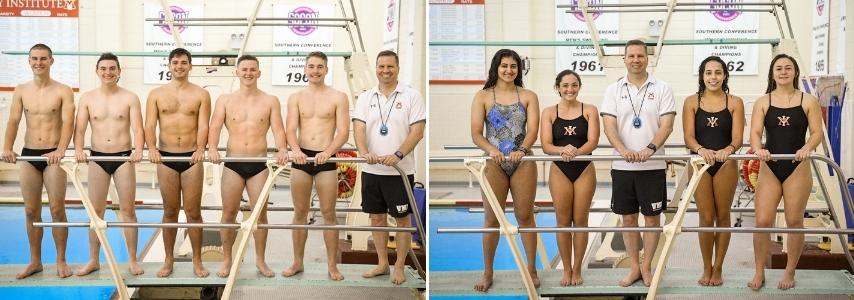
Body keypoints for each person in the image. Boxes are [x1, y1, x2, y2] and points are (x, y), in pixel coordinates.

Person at [600, 39, 676, 287]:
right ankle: (634, 267)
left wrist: (651, 148)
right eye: (631, 56)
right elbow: (609, 124)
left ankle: (647, 266)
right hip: (622, 167)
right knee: (628, 219)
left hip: (652, 166)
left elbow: (667, 124)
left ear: (647, 59)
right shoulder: (614, 89)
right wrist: (621, 150)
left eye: (640, 56)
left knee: (652, 219)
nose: (635, 60)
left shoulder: (663, 87)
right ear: (624, 59)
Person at [207, 55, 288, 278]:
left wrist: (282, 149)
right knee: (229, 213)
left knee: (260, 216)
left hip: (258, 165)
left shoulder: (270, 100)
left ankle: (261, 261)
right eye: (244, 69)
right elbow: (214, 126)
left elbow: (279, 130)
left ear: (259, 73)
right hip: (233, 163)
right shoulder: (225, 99)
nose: (248, 73)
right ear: (237, 72)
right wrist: (212, 147)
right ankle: (227, 260)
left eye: (253, 69)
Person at [748, 54, 822, 290]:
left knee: (794, 221)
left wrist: (807, 148)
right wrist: (758, 149)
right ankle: (759, 272)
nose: (783, 72)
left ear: (795, 72)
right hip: (771, 165)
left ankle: (790, 272)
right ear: (772, 74)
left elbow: (817, 133)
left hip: (797, 166)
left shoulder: (808, 100)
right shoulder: (763, 101)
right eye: (778, 68)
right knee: (762, 221)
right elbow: (755, 133)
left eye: (788, 68)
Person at [1, 43, 75, 279]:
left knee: (56, 208)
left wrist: (61, 149)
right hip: (29, 153)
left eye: (44, 59)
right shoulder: (21, 90)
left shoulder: (63, 90)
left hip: (53, 154)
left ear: (51, 61)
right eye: (35, 58)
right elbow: (13, 120)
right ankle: (35, 261)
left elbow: (69, 122)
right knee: (31, 210)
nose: (39, 63)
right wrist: (7, 147)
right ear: (29, 61)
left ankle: (61, 260)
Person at [470, 49, 540, 292]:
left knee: (525, 216)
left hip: (523, 161)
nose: (509, 70)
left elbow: (532, 131)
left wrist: (522, 149)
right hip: (495, 162)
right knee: (492, 219)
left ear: (519, 69)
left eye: (513, 66)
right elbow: (476, 132)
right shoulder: (482, 96)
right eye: (505, 66)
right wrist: (491, 149)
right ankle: (488, 272)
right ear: (496, 68)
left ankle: (531, 268)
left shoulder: (529, 95)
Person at [354, 50, 425, 285]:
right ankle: (382, 263)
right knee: (376, 219)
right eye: (381, 66)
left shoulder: (412, 96)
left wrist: (398, 154)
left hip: (399, 171)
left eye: (390, 67)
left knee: (402, 220)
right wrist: (364, 152)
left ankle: (399, 266)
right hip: (372, 171)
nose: (385, 71)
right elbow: (359, 129)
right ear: (376, 68)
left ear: (397, 68)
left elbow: (417, 131)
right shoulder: (365, 98)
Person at [73, 53, 145, 276]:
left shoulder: (130, 97)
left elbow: (138, 129)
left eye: (112, 68)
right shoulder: (87, 98)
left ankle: (133, 260)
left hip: (123, 157)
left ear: (119, 71)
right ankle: (93, 259)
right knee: (96, 211)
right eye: (103, 68)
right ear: (97, 71)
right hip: (97, 157)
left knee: (128, 210)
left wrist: (139, 149)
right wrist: (77, 148)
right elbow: (80, 129)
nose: (108, 72)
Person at [282, 51, 349, 280]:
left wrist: (329, 152)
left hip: (326, 158)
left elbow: (343, 131)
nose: (315, 71)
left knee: (329, 213)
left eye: (320, 67)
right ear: (305, 69)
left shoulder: (338, 97)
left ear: (326, 70)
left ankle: (332, 266)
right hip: (302, 158)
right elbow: (290, 129)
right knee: (300, 212)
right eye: (311, 66)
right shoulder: (296, 97)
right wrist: (296, 150)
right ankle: (297, 262)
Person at [144, 48, 211, 277]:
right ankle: (168, 259)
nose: (179, 66)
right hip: (166, 157)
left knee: (193, 211)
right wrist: (151, 148)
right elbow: (149, 125)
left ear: (190, 66)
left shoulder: (201, 94)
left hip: (192, 156)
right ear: (169, 65)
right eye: (175, 62)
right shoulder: (156, 94)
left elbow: (204, 125)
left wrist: (201, 149)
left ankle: (197, 260)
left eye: (184, 62)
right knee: (170, 211)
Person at [682, 56, 745, 286]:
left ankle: (718, 267)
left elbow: (738, 138)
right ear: (702, 76)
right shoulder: (691, 101)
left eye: (718, 73)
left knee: (723, 215)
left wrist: (729, 149)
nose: (713, 77)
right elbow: (688, 136)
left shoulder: (735, 102)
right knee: (706, 217)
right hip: (700, 162)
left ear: (725, 75)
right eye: (708, 73)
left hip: (725, 162)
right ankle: (706, 266)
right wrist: (700, 150)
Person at [539, 70, 599, 286]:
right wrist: (563, 150)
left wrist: (575, 152)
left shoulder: (590, 110)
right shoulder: (549, 112)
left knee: (581, 221)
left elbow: (593, 141)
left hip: (583, 167)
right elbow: (546, 145)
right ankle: (566, 269)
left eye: (574, 85)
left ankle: (577, 269)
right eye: (565, 86)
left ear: (579, 87)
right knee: (563, 222)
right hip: (559, 168)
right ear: (558, 87)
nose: (569, 89)